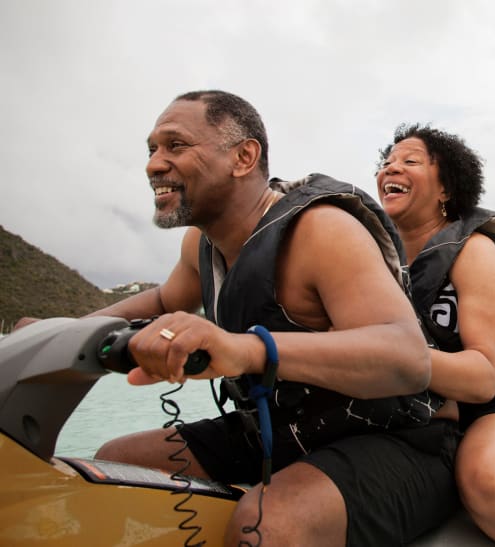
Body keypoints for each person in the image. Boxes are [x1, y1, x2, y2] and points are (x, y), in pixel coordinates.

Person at [47, 91, 460, 546]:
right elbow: (164, 299)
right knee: (116, 464)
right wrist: (60, 334)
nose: (154, 164)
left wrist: (246, 349)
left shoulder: (320, 229)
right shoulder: (201, 247)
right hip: (280, 430)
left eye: (175, 145)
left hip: (402, 440)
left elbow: (406, 357)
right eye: (152, 150)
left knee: (265, 523)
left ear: (244, 157)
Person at [376, 124, 495, 547]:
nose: (393, 167)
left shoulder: (473, 251)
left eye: (410, 161)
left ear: (446, 189)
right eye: (387, 162)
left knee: (485, 477)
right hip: (426, 401)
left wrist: (389, 361)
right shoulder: (373, 256)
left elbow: (486, 374)